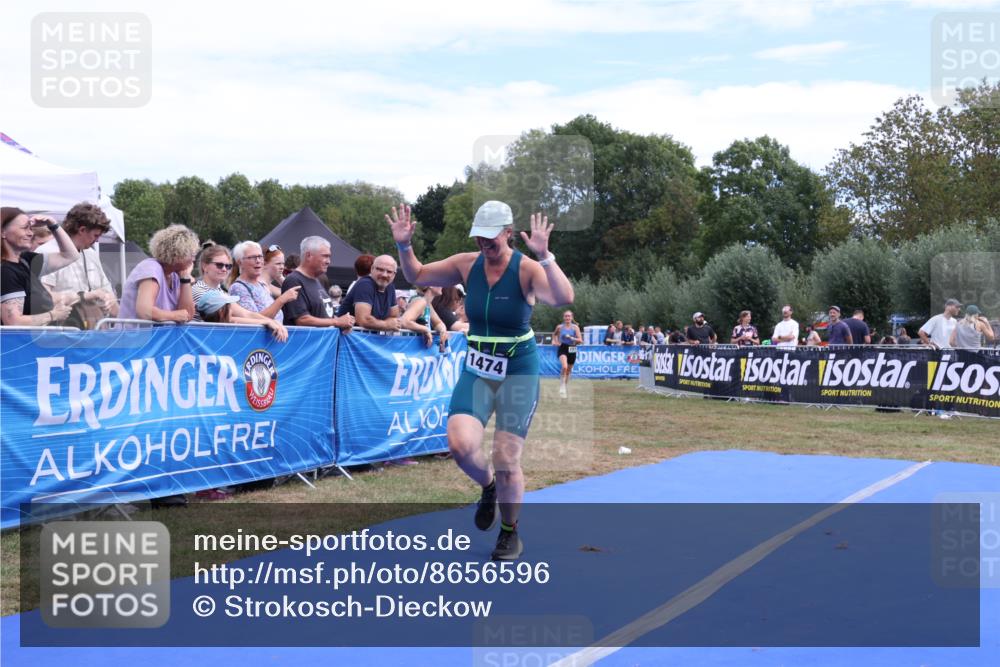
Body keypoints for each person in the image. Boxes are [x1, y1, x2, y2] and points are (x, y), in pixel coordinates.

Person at [389, 200, 573, 561]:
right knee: (460, 445)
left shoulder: (527, 269)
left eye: (491, 240)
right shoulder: (466, 264)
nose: (484, 246)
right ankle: (488, 486)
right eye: (479, 240)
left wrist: (546, 255)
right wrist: (404, 245)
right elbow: (418, 275)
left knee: (506, 459)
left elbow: (564, 297)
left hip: (518, 369)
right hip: (477, 367)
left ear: (508, 233)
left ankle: (509, 532)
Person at [39, 203, 119, 325]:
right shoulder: (47, 253)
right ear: (82, 230)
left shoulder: (92, 254)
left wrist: (109, 301)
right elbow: (42, 300)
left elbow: (114, 306)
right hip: (58, 335)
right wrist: (86, 296)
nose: (97, 240)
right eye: (95, 235)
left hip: (92, 334)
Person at [191, 243, 288, 340]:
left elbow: (246, 314)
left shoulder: (221, 292)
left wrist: (271, 322)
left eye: (228, 266)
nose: (224, 269)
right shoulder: (199, 290)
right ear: (205, 266)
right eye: (219, 265)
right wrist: (267, 321)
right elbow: (227, 320)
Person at [1, 207, 79, 326]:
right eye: (24, 228)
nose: (30, 233)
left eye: (31, 228)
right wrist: (54, 315)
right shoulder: (5, 271)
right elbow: (13, 322)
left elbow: (70, 255)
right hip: (19, 344)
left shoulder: (26, 260)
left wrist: (53, 225)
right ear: (3, 232)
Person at [120, 225, 199, 322]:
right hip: (133, 335)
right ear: (178, 254)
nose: (193, 260)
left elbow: (187, 315)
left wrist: (185, 278)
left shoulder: (175, 275)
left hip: (156, 336)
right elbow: (145, 311)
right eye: (192, 255)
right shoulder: (151, 268)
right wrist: (174, 316)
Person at [281, 236, 355, 329]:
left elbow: (323, 315)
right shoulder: (294, 280)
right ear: (308, 256)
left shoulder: (316, 280)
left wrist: (342, 324)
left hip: (323, 341)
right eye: (325, 256)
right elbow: (302, 320)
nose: (329, 261)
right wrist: (336, 322)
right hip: (307, 342)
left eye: (329, 256)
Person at [228, 241, 300, 324]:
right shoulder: (238, 288)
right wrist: (281, 300)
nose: (258, 261)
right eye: (252, 257)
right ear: (240, 262)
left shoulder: (261, 286)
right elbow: (254, 323)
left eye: (260, 256)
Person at [336, 255, 402, 332]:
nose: (384, 275)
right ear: (372, 269)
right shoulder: (365, 284)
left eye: (389, 271)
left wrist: (388, 323)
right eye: (380, 269)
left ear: (394, 274)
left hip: (367, 340)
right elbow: (363, 320)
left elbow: (394, 317)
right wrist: (387, 324)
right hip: (350, 340)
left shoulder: (390, 287)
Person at [400, 284, 449, 351]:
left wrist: (443, 331)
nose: (442, 286)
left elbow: (438, 323)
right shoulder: (420, 301)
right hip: (410, 349)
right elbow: (404, 321)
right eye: (439, 282)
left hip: (415, 350)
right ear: (431, 285)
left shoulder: (426, 302)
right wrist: (425, 329)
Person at [552, 310, 583, 398]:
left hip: (572, 348)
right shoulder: (560, 327)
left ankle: (564, 387)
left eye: (569, 316)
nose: (567, 318)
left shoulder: (575, 328)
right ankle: (562, 386)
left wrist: (572, 338)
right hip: (563, 348)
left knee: (568, 371)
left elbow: (580, 340)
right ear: (563, 317)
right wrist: (555, 341)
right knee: (564, 367)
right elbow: (554, 335)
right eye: (566, 316)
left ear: (572, 317)